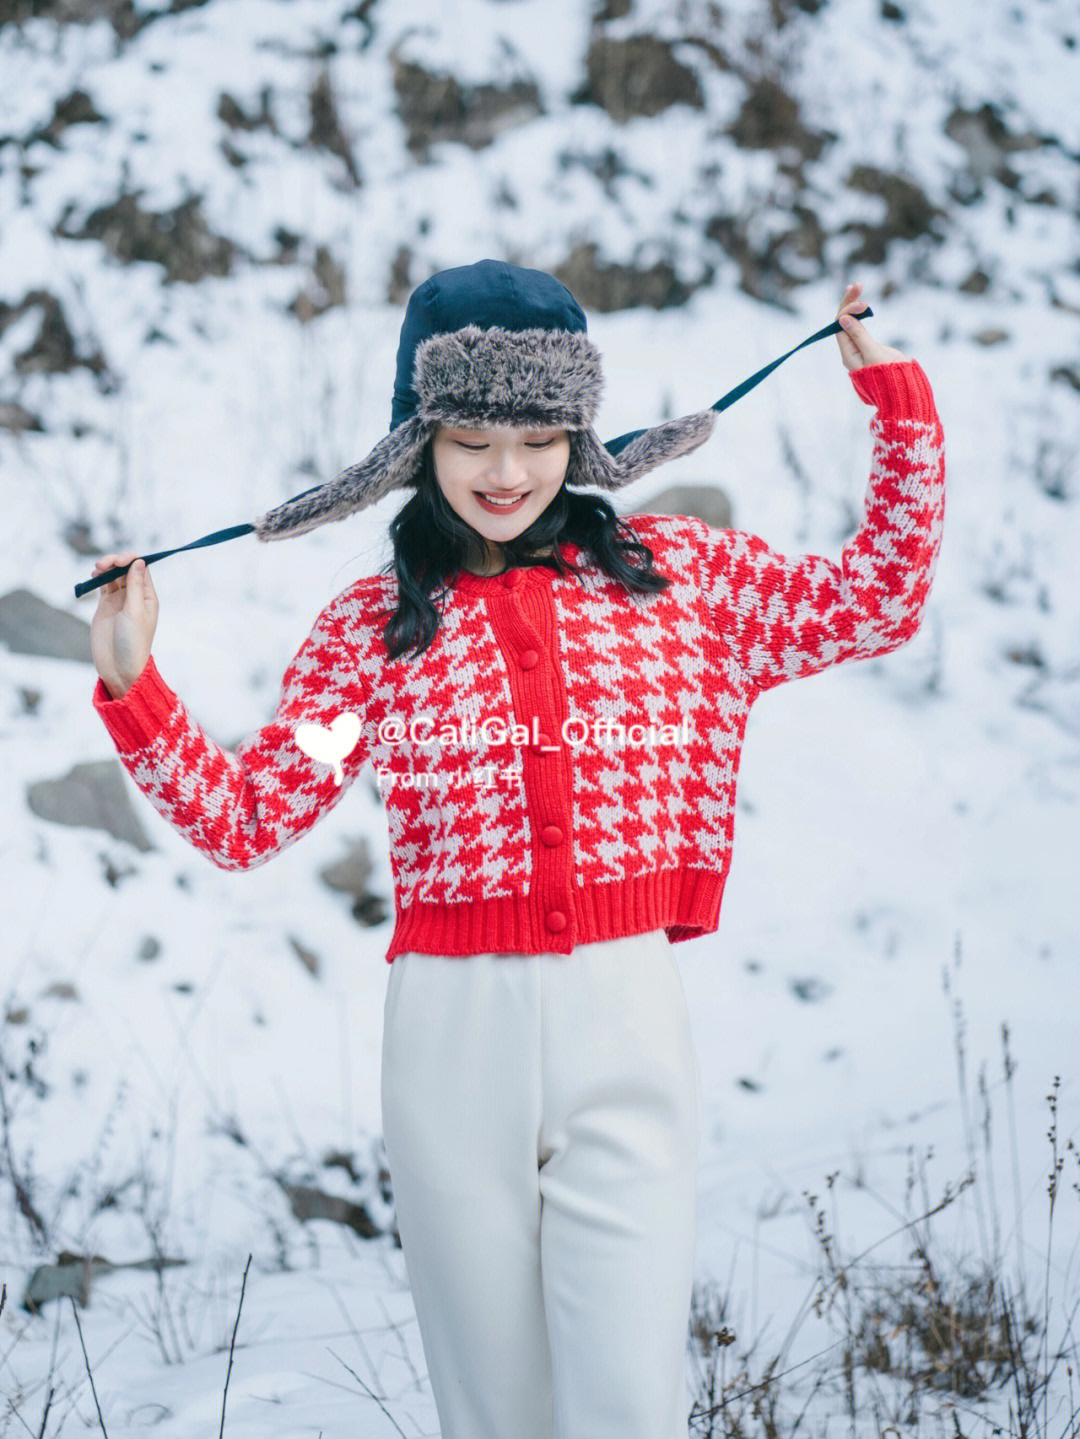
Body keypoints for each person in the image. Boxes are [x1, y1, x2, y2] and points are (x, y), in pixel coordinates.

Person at [89, 259, 945, 1438]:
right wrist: (136, 688)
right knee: (497, 1413)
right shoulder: (377, 632)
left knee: (630, 1404)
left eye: (541, 435)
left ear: (579, 434)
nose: (508, 472)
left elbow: (880, 596)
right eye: (474, 437)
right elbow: (246, 815)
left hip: (625, 1013)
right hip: (452, 1041)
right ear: (420, 441)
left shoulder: (677, 581)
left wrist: (896, 409)